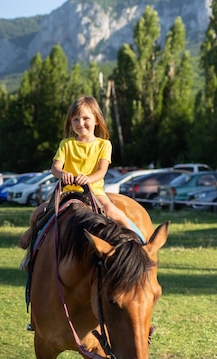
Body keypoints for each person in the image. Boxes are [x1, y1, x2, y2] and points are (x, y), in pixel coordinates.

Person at [19, 96, 144, 330]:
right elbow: (55, 167)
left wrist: (89, 178)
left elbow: (102, 170)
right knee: (38, 213)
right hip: (67, 193)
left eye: (85, 118)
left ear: (96, 120)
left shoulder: (103, 145)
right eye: (75, 119)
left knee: (115, 214)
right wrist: (62, 173)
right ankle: (30, 252)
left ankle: (142, 241)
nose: (80, 123)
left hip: (94, 192)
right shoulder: (67, 144)